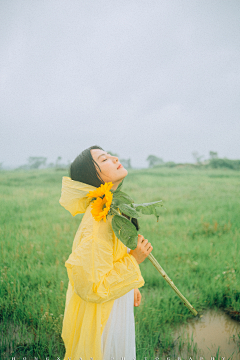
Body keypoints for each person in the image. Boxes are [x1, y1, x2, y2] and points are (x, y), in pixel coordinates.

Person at [59, 145, 153, 360]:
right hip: (104, 315)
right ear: (94, 177)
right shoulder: (98, 220)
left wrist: (130, 287)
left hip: (116, 300)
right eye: (104, 159)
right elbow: (92, 287)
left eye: (109, 155)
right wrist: (134, 261)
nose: (114, 158)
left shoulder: (111, 209)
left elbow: (111, 260)